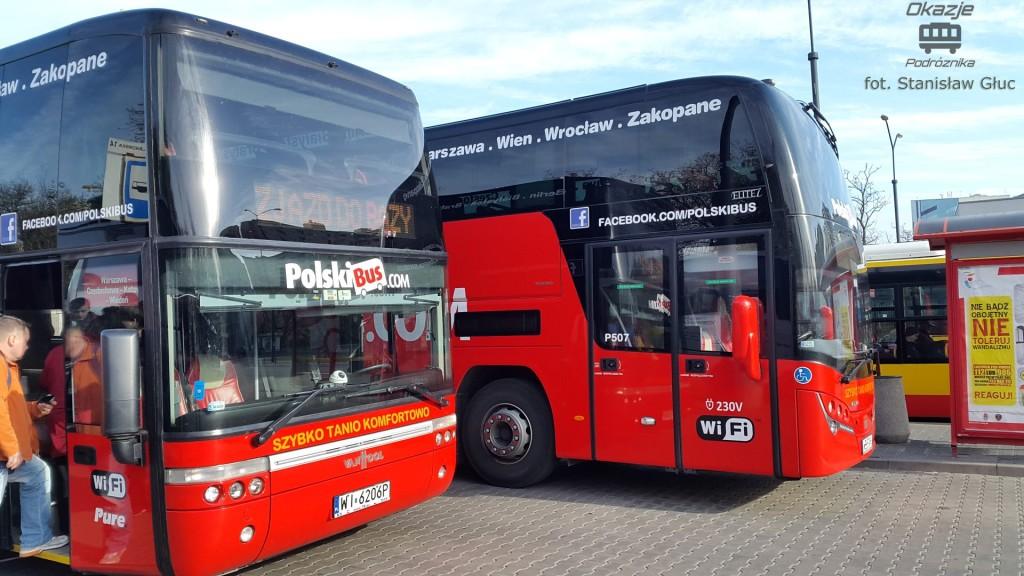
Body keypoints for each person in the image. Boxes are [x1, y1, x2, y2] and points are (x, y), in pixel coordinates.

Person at [0, 315, 68, 557]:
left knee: (38, 472)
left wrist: (35, 409)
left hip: (8, 455)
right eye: (25, 342)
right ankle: (35, 537)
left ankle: (35, 539)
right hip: (5, 454)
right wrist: (11, 449)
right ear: (11, 339)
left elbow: (13, 408)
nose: (28, 347)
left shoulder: (8, 367)